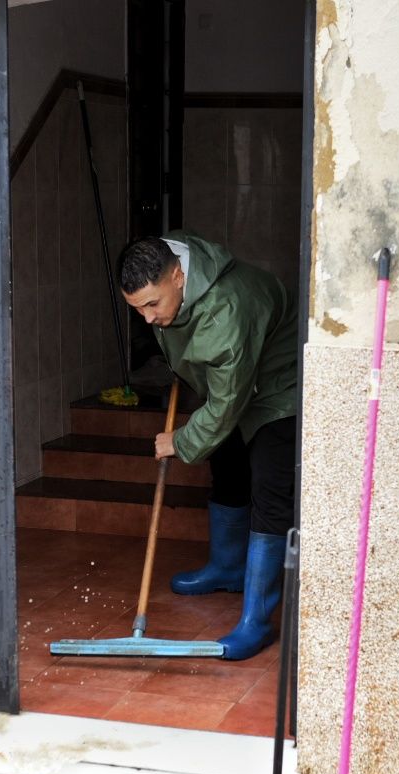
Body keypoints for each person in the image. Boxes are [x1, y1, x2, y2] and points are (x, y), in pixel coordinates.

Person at [117, 233, 298, 661]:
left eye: (152, 305)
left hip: (278, 386)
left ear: (179, 277)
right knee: (229, 465)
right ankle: (228, 567)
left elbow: (225, 404)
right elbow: (215, 377)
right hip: (235, 378)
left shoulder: (226, 312)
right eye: (137, 307)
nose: (146, 318)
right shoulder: (170, 257)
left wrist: (180, 440)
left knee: (271, 492)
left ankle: (256, 622)